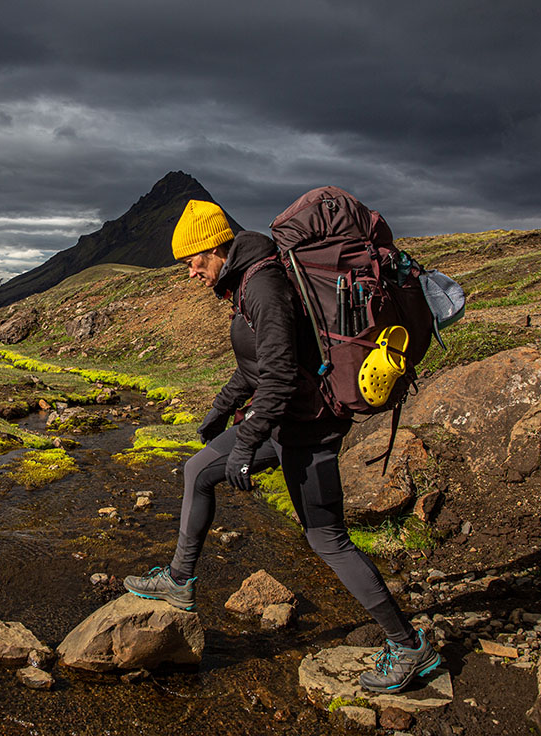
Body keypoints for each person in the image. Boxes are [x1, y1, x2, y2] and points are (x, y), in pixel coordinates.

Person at [123, 198, 441, 693]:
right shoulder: (248, 281)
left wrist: (246, 442)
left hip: (309, 425)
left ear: (215, 248)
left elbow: (276, 378)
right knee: (198, 471)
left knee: (326, 540)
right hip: (284, 420)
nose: (189, 273)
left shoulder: (264, 285)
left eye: (191, 261)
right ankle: (180, 580)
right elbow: (254, 365)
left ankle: (408, 646)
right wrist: (221, 407)